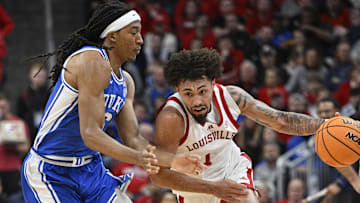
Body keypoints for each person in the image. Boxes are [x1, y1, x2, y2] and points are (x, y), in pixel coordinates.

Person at [21, 1, 205, 202]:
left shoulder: (126, 82)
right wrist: (137, 158)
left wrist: (173, 161)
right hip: (51, 170)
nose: (140, 40)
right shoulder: (91, 61)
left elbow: (133, 138)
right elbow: (91, 133)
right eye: (133, 33)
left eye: (140, 33)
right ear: (113, 36)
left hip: (90, 170)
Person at [150, 48, 326, 203]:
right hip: (195, 188)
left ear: (213, 82)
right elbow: (158, 175)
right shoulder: (171, 117)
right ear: (176, 89)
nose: (197, 101)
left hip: (232, 168)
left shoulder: (231, 97)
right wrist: (212, 187)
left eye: (202, 91)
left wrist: (325, 125)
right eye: (188, 93)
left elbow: (280, 120)